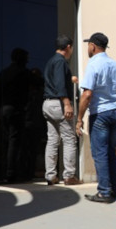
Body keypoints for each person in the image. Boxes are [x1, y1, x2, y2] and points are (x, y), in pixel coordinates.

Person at [76, 33, 116, 203]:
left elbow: (87, 94)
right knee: (113, 152)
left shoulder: (93, 64)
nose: (88, 47)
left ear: (94, 46)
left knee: (100, 153)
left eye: (88, 44)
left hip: (101, 114)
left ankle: (104, 191)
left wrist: (79, 118)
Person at [42, 35, 82, 185]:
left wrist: (69, 79)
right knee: (69, 139)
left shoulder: (51, 61)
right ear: (68, 47)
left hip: (47, 104)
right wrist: (67, 103)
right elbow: (59, 84)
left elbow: (54, 81)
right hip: (58, 104)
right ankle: (69, 176)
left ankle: (51, 175)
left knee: (52, 140)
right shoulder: (60, 62)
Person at [0, 48, 32, 183]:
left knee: (7, 141)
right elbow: (34, 87)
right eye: (26, 58)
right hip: (15, 110)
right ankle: (11, 172)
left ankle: (3, 171)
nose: (28, 60)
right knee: (14, 141)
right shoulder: (23, 73)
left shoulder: (3, 73)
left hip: (4, 110)